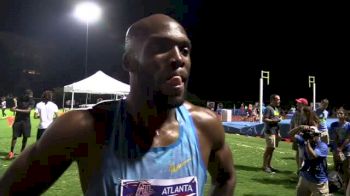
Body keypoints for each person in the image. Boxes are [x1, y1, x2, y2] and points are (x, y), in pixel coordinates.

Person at [0, 14, 236, 195]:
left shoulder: (205, 126)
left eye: (184, 49)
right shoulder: (83, 129)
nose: (178, 58)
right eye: (160, 48)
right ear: (129, 61)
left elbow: (226, 179)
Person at [291, 118, 329, 195]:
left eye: (312, 134)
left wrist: (307, 142)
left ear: (317, 135)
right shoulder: (304, 140)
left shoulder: (322, 146)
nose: (311, 136)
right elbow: (290, 134)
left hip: (318, 181)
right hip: (305, 178)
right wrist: (300, 127)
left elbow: (313, 155)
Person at [7, 89, 35, 159]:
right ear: (26, 95)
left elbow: (28, 111)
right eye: (30, 95)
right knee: (14, 136)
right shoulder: (19, 99)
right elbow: (13, 108)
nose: (31, 96)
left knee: (25, 137)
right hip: (17, 121)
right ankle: (11, 152)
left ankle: (22, 152)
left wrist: (16, 110)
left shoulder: (31, 101)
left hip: (26, 121)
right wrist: (12, 108)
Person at [329, 108, 350, 193]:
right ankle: (336, 184)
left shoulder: (348, 125)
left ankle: (346, 186)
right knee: (336, 166)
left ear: (345, 115)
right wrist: (337, 148)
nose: (339, 115)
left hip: (346, 149)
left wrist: (341, 148)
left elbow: (348, 138)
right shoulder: (334, 124)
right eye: (338, 113)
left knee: (346, 168)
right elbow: (333, 138)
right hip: (336, 148)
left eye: (341, 113)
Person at [262, 94, 281, 173]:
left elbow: (277, 119)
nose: (279, 101)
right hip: (269, 131)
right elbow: (264, 119)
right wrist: (274, 121)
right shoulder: (268, 108)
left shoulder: (276, 109)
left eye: (279, 99)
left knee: (272, 149)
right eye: (278, 99)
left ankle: (269, 165)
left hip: (275, 131)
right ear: (273, 100)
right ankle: (265, 166)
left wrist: (278, 132)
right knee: (269, 149)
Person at [290, 98, 309, 172]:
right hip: (296, 136)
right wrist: (291, 134)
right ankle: (299, 169)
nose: (297, 104)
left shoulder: (308, 114)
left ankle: (305, 169)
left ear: (304, 104)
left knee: (306, 153)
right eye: (297, 102)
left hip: (305, 137)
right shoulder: (295, 113)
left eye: (299, 103)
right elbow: (292, 123)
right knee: (298, 153)